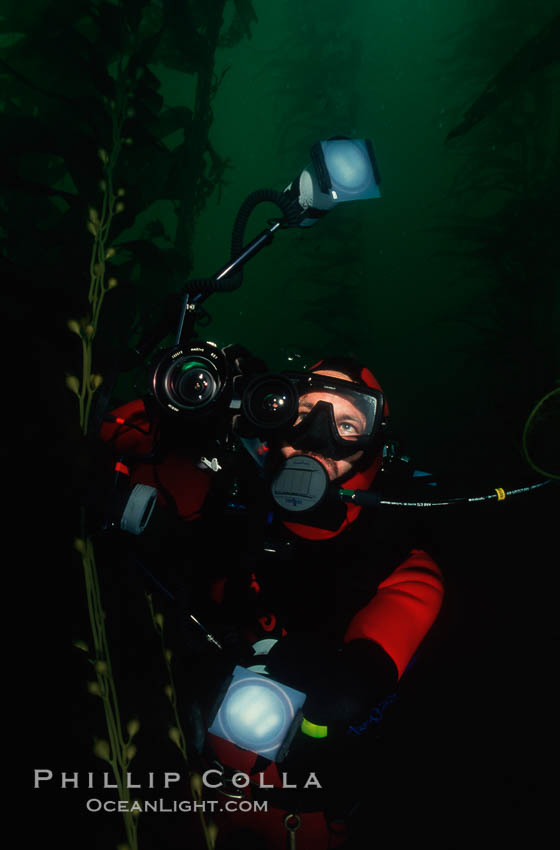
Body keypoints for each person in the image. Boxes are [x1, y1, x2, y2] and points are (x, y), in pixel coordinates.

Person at [99, 354, 444, 850]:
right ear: (270, 416)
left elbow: (383, 643)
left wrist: (345, 687)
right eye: (302, 414)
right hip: (190, 793)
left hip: (304, 826)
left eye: (348, 423)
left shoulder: (397, 560)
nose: (318, 436)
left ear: (375, 448)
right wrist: (192, 394)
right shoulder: (224, 502)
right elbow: (117, 438)